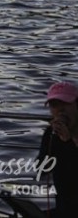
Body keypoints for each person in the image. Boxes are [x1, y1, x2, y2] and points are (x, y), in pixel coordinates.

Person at [38, 81, 78, 216]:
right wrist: (55, 141)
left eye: (65, 104)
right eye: (55, 105)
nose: (60, 110)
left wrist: (68, 143)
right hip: (64, 207)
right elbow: (42, 170)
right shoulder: (51, 134)